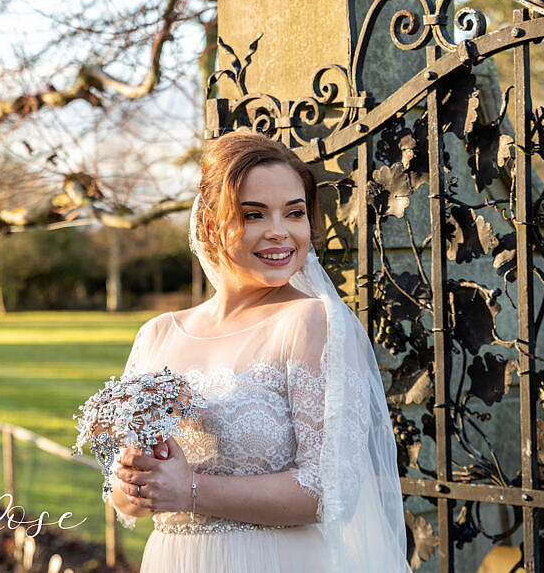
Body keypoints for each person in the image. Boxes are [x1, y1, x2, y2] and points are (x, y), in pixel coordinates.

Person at [106, 130, 411, 572]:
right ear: (211, 225)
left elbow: (331, 490)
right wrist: (131, 483)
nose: (279, 233)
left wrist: (190, 489)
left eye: (294, 213)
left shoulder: (311, 323)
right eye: (253, 215)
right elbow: (126, 501)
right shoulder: (158, 335)